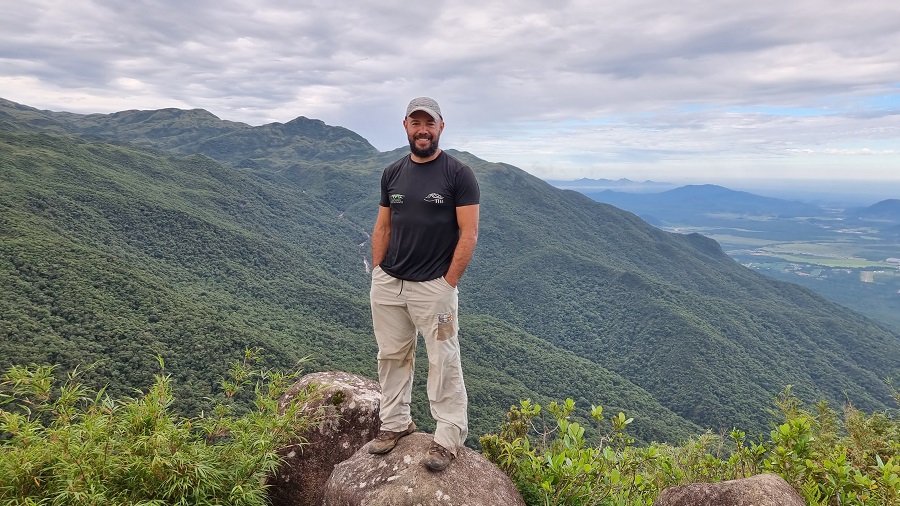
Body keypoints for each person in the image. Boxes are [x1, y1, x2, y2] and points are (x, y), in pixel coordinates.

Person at [367, 97, 480, 472]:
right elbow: (384, 225)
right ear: (405, 126)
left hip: (434, 286)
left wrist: (448, 282)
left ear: (441, 127)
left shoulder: (458, 174)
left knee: (443, 360)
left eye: (428, 124)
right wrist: (379, 270)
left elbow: (469, 233)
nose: (422, 130)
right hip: (390, 283)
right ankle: (396, 423)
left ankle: (447, 439)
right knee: (391, 355)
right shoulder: (392, 173)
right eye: (415, 123)